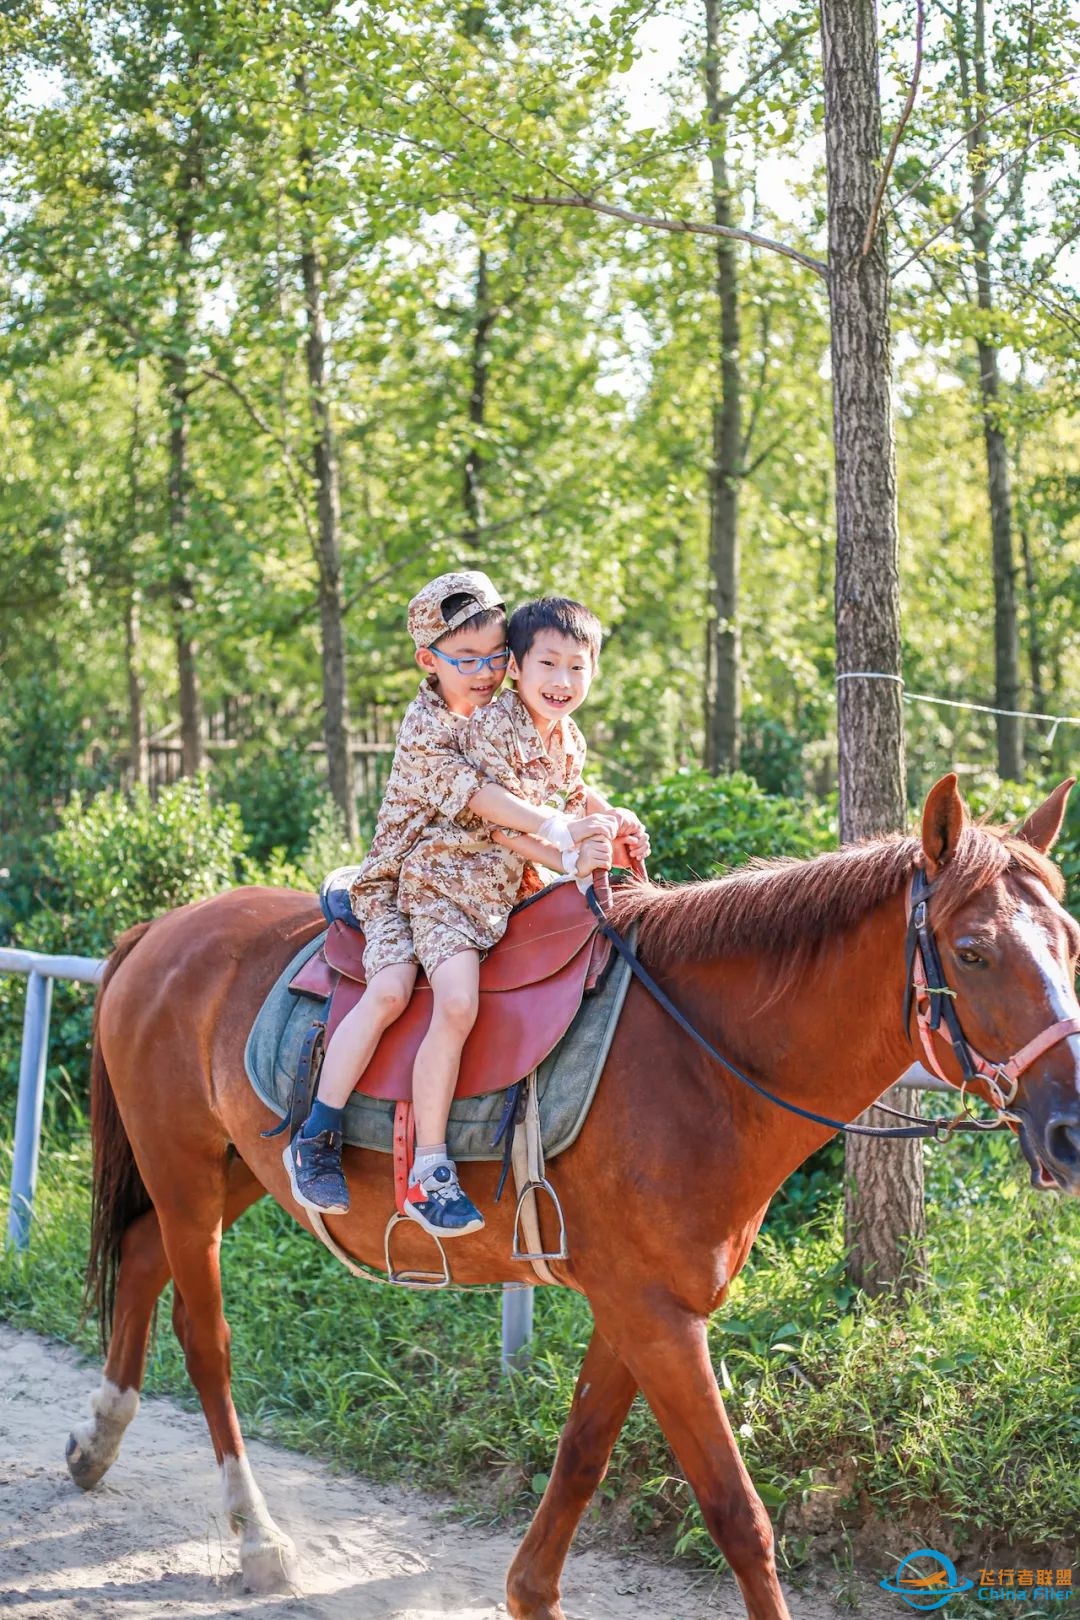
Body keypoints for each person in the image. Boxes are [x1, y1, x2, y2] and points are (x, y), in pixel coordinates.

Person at [286, 573, 616, 1238]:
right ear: (429, 660)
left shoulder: (538, 724)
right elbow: (490, 808)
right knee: (393, 991)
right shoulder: (431, 731)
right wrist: (558, 835)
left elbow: (563, 793)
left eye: (496, 656)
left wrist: (602, 824)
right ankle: (327, 1134)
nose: (487, 672)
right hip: (412, 882)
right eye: (469, 660)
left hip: (491, 883)